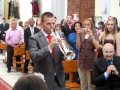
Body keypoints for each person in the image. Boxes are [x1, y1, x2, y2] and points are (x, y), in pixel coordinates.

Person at [28, 12, 66, 90]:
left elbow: (68, 55)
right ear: (41, 24)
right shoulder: (34, 38)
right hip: (43, 79)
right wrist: (49, 47)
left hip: (59, 78)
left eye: (53, 23)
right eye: (48, 24)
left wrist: (65, 48)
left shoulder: (60, 34)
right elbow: (34, 57)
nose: (52, 26)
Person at [76, 18, 100, 90]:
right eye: (85, 25)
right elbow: (78, 47)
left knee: (90, 83)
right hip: (81, 59)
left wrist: (91, 35)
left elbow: (97, 47)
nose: (86, 26)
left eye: (88, 25)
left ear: (91, 25)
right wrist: (78, 35)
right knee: (83, 82)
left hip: (90, 59)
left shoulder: (95, 33)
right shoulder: (81, 33)